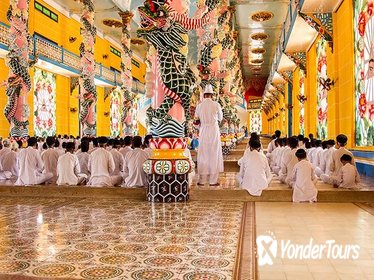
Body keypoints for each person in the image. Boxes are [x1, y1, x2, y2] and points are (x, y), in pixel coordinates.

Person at [195, 84, 224, 186]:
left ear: (204, 95)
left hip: (203, 130)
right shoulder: (216, 105)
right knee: (214, 153)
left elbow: (196, 120)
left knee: (203, 153)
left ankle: (202, 180)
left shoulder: (199, 106)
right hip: (213, 130)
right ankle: (213, 180)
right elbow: (221, 118)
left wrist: (201, 125)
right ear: (212, 95)